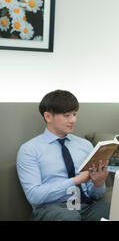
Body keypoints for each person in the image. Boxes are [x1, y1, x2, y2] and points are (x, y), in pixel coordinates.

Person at [17, 90, 110, 220]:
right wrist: (76, 180)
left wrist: (99, 183)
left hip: (85, 205)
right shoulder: (29, 150)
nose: (73, 120)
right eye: (67, 115)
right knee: (68, 217)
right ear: (48, 117)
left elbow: (95, 194)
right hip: (51, 208)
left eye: (74, 114)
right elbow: (34, 196)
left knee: (111, 209)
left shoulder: (85, 145)